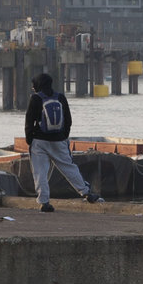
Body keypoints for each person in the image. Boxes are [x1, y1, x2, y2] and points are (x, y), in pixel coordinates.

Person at [24, 72, 100, 211]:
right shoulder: (60, 97)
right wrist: (63, 136)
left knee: (40, 172)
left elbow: (29, 121)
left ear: (37, 85)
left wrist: (30, 140)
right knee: (69, 167)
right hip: (59, 140)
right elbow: (68, 120)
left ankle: (44, 202)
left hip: (39, 142)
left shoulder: (35, 99)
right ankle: (86, 193)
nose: (32, 86)